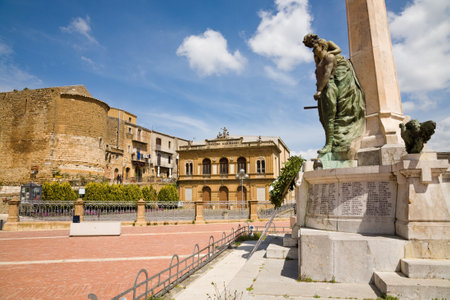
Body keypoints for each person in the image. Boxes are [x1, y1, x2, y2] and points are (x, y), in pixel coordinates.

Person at [303, 34, 365, 154]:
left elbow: (327, 74)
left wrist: (320, 90)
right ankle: (329, 142)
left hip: (329, 87)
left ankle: (329, 145)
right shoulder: (320, 61)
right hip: (323, 89)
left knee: (329, 117)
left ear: (322, 46)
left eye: (315, 48)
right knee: (324, 118)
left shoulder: (330, 57)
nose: (313, 51)